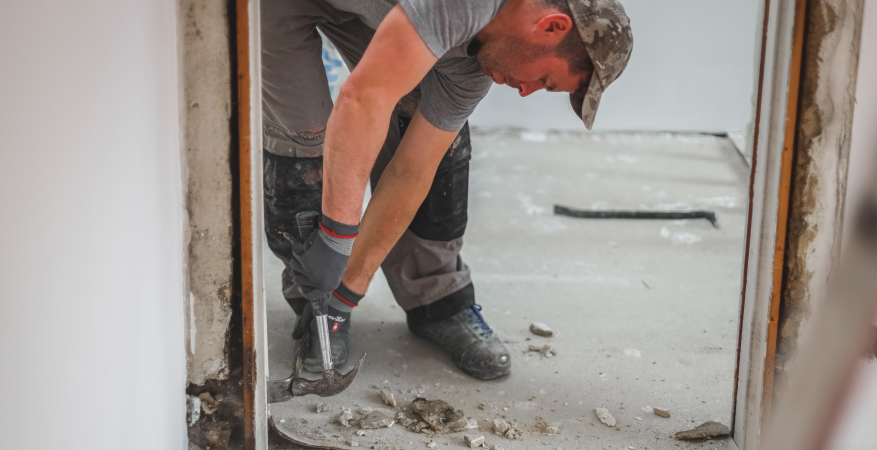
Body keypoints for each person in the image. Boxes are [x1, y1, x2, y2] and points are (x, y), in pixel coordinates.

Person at [262, 0, 632, 380]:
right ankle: (313, 297)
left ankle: (368, 303)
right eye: (544, 81)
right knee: (301, 135)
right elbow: (363, 98)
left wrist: (347, 293)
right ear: (551, 27)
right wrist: (336, 238)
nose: (525, 92)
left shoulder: (473, 71)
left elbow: (411, 172)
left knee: (422, 114)